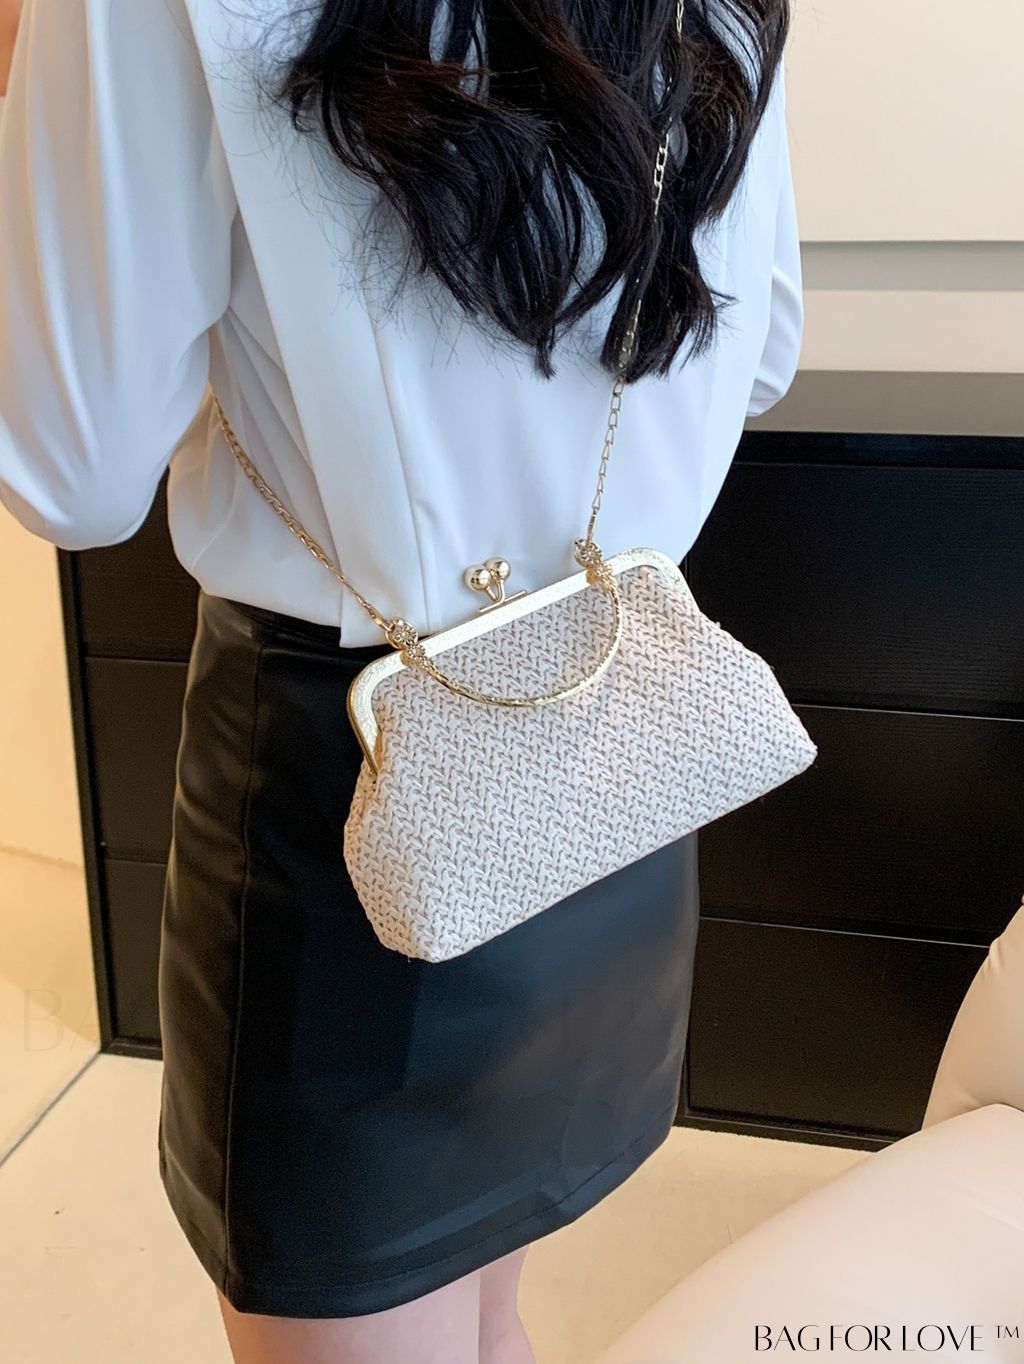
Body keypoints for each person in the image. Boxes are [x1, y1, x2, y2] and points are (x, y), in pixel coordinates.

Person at [0, 2, 801, 1361]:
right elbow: (761, 350)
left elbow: (68, 470)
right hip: (607, 752)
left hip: (346, 796)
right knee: (483, 1315)